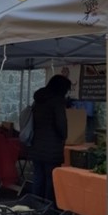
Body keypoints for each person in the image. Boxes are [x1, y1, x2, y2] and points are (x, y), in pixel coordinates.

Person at [29, 74, 72, 204]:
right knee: (51, 179)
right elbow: (61, 125)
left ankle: (34, 206)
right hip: (52, 148)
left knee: (38, 177)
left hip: (36, 145)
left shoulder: (38, 101)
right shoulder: (57, 102)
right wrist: (64, 135)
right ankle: (48, 209)